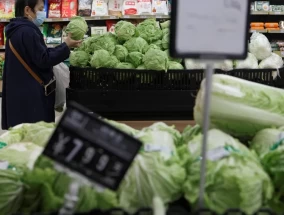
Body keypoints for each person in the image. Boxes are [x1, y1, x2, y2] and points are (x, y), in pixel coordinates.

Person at [1, 0, 81, 130]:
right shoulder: (27, 31)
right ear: (28, 10)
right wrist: (66, 46)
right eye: (40, 9)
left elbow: (35, 56)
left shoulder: (15, 30)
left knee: (22, 134)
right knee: (36, 135)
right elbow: (44, 59)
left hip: (19, 94)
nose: (42, 13)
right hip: (32, 98)